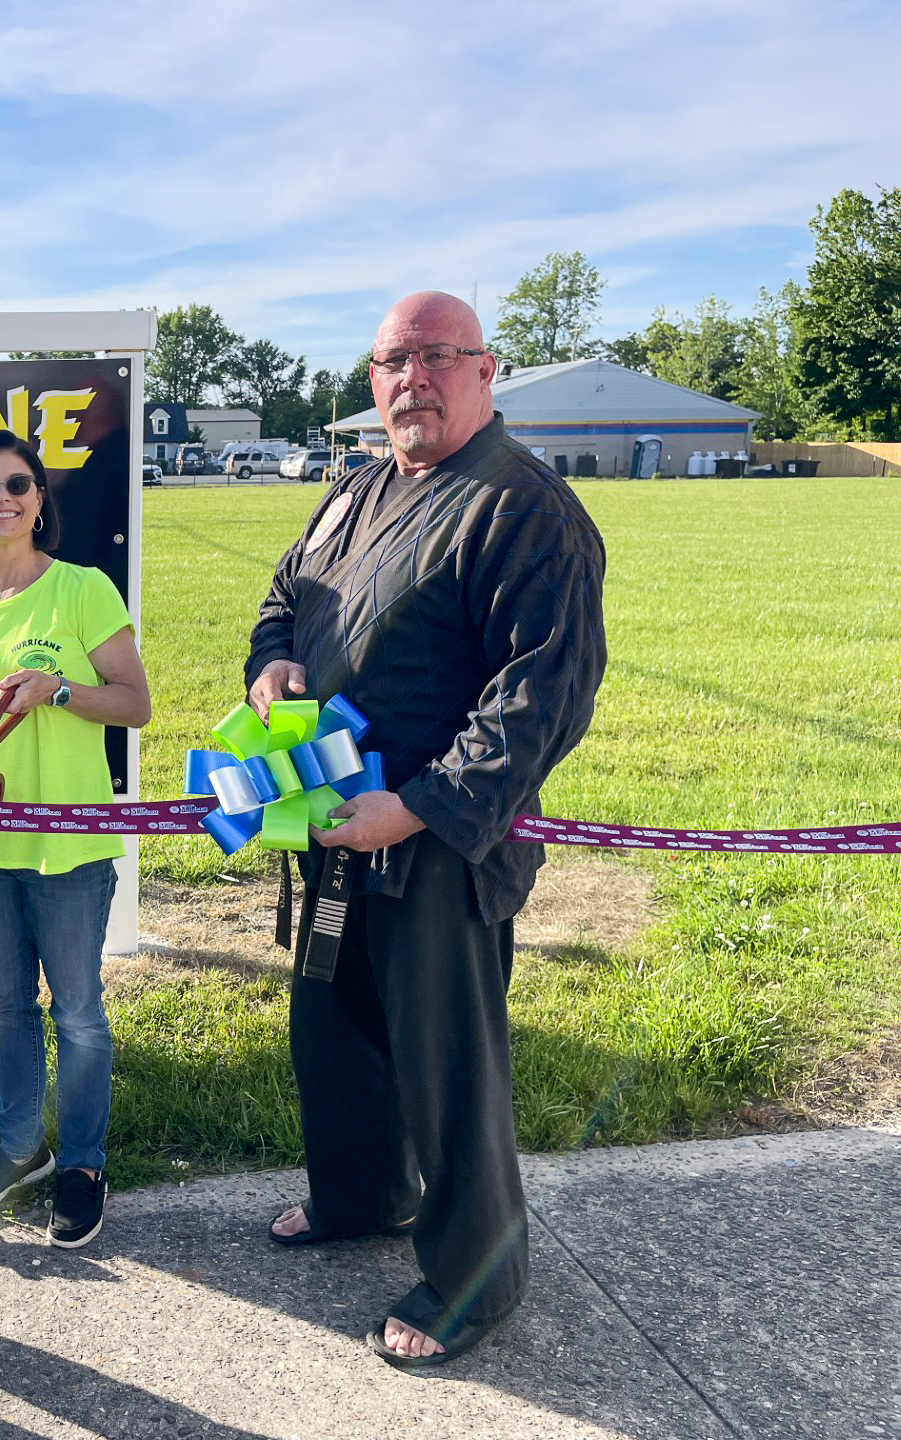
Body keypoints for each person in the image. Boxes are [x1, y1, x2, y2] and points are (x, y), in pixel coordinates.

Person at [246, 292, 607, 1369]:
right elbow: (283, 596)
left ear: (486, 371)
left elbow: (542, 695)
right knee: (334, 1027)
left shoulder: (523, 508)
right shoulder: (352, 489)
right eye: (395, 361)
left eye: (438, 357)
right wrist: (271, 663)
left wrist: (417, 808)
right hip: (330, 812)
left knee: (445, 1066)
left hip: (443, 844)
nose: (415, 378)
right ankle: (360, 1198)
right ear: (372, 382)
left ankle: (475, 1278)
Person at [0, 428, 152, 1250]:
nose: (3, 497)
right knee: (6, 1007)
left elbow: (133, 703)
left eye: (19, 483)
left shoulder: (83, 590)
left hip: (72, 846)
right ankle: (23, 1149)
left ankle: (83, 1163)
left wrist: (57, 691)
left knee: (78, 1012)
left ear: (40, 498)